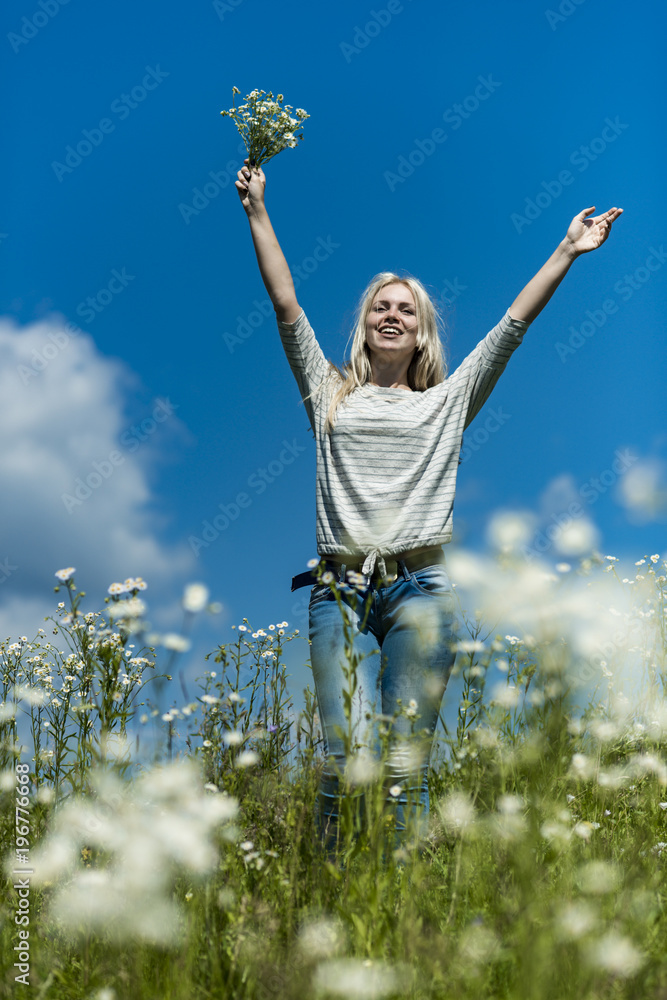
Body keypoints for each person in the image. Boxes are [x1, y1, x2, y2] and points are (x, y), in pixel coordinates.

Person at [235, 156, 623, 850]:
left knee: (402, 770)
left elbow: (509, 328)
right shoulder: (328, 395)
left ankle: (400, 924)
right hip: (338, 590)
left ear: (420, 332)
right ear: (364, 327)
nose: (391, 314)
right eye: (380, 306)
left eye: (405, 309)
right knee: (340, 762)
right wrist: (258, 212)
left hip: (423, 591)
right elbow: (286, 306)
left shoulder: (448, 403)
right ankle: (333, 917)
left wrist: (567, 250)